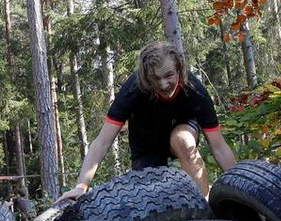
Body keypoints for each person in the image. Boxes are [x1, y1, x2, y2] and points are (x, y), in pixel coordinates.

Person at [57, 40, 237, 204]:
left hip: (182, 129)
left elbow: (219, 147)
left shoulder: (194, 90)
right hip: (146, 142)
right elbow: (102, 142)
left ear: (179, 69)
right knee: (151, 198)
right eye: (156, 78)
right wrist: (81, 186)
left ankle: (203, 205)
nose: (164, 84)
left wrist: (239, 186)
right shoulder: (133, 89)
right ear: (145, 75)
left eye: (168, 75)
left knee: (182, 141)